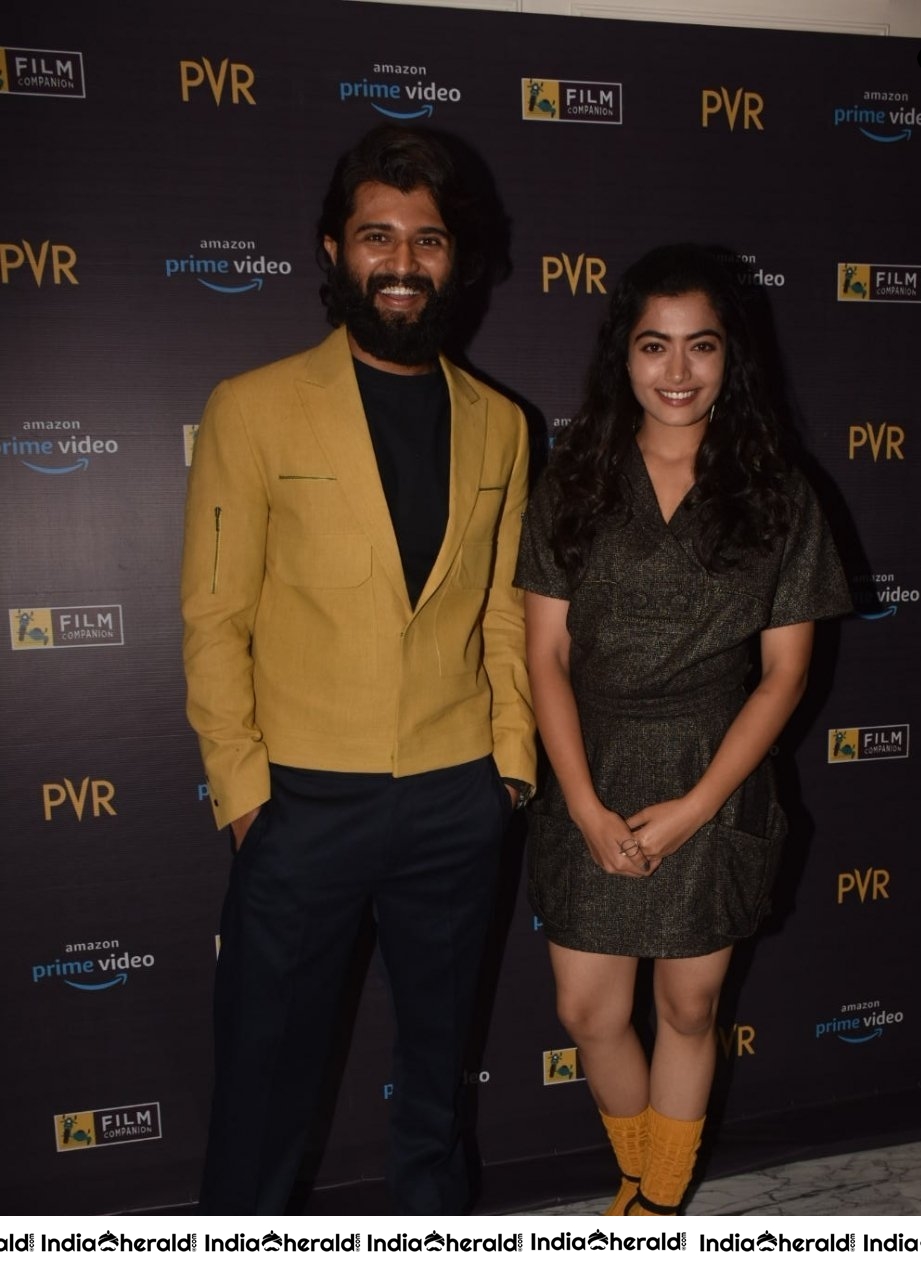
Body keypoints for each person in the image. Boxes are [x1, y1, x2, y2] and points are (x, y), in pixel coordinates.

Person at [181, 124, 535, 1215]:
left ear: (457, 260)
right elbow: (212, 618)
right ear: (332, 249)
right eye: (377, 235)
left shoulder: (505, 426)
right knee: (261, 1092)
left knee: (437, 1087)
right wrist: (248, 804)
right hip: (301, 806)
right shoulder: (252, 405)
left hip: (455, 796)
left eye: (427, 240)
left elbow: (504, 614)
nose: (401, 261)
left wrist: (508, 772)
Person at [515, 244, 850, 1216]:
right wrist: (581, 803)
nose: (676, 372)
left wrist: (699, 807)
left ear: (729, 357)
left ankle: (657, 1207)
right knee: (588, 1010)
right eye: (653, 345)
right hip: (593, 762)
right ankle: (636, 1172)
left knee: (689, 1005)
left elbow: (787, 676)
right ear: (622, 355)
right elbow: (545, 656)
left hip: (718, 766)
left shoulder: (781, 495)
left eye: (699, 347)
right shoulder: (572, 483)